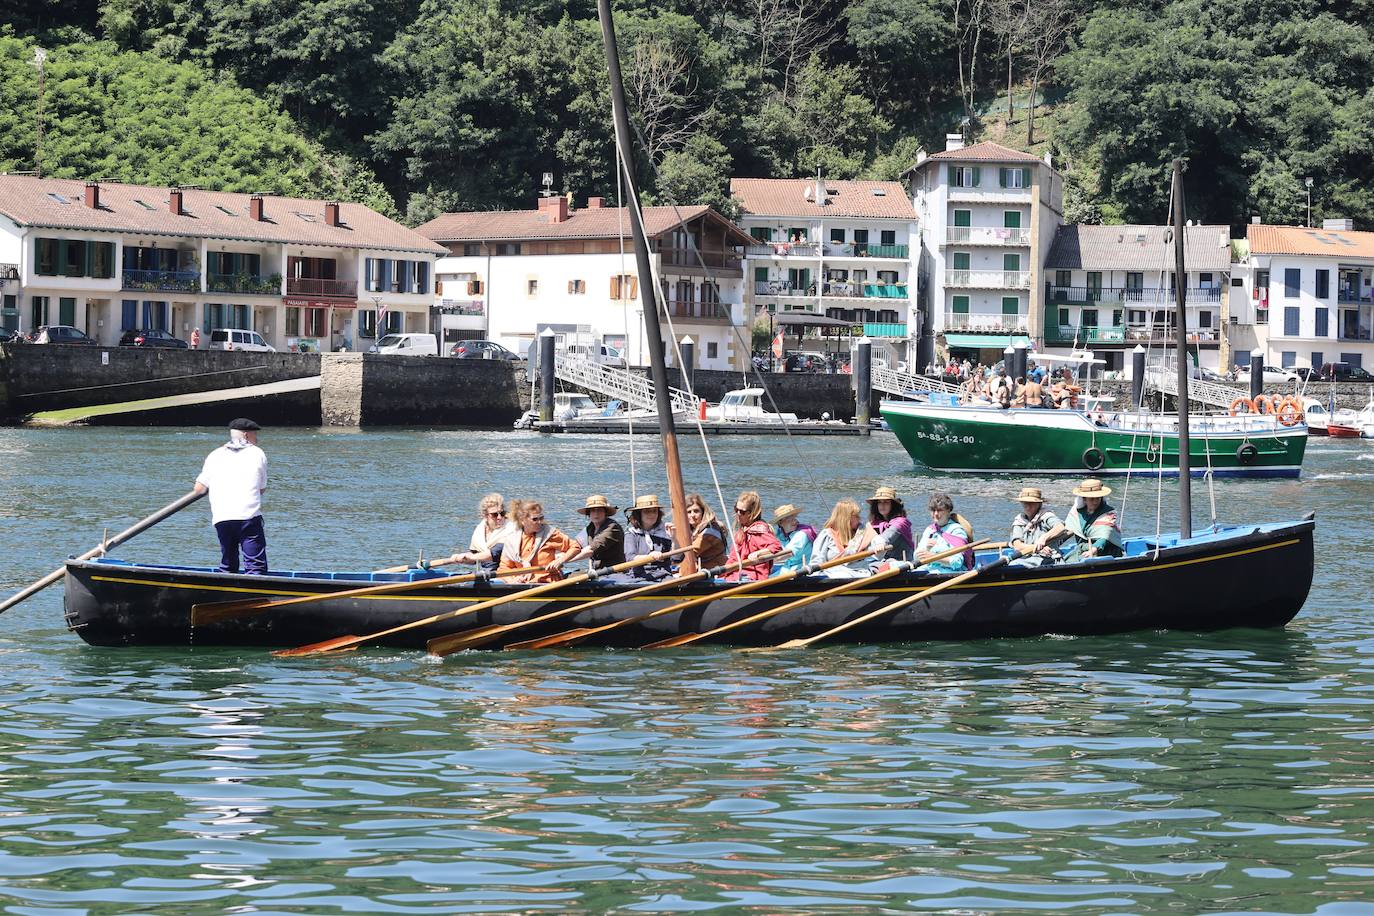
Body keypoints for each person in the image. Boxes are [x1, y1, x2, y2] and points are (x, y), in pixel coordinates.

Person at [193, 418, 268, 575]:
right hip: (248, 516)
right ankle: (255, 594)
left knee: (228, 562)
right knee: (255, 566)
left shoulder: (215, 455)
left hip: (222, 517)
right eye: (255, 435)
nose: (257, 439)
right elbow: (261, 489)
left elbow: (199, 488)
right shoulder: (257, 452)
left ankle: (226, 588)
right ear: (246, 436)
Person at [497, 500, 580, 583]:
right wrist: (512, 580)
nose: (539, 522)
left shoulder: (550, 534)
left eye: (541, 518)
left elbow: (575, 547)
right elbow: (504, 568)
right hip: (521, 583)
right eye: (535, 519)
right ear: (522, 520)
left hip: (547, 583)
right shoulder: (512, 540)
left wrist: (560, 561)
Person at [1063, 478, 1124, 561]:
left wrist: (1093, 549)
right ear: (1084, 499)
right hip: (1082, 549)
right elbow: (1068, 531)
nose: (1095, 502)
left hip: (1105, 551)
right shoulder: (1077, 512)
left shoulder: (1108, 512)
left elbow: (1105, 536)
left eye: (1098, 498)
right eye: (1091, 499)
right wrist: (1050, 543)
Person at [728, 490, 783, 581]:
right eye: (736, 509)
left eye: (742, 512)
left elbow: (776, 546)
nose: (738, 514)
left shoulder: (758, 530)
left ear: (751, 513)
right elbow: (733, 558)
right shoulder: (741, 531)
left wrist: (758, 553)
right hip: (736, 571)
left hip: (752, 575)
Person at [454, 493, 515, 573]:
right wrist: (461, 558)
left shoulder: (511, 529)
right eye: (494, 515)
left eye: (502, 513)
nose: (499, 517)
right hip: (487, 572)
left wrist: (472, 557)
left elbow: (495, 553)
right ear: (485, 516)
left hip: (506, 572)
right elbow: (474, 555)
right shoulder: (479, 530)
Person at [1008, 486, 1067, 567]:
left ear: (1039, 504)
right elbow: (1017, 545)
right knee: (1013, 564)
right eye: (1025, 503)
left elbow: (1060, 527)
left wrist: (1043, 538)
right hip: (1026, 558)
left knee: (1014, 564)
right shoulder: (1019, 521)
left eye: (1031, 503)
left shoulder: (1046, 516)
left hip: (1049, 559)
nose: (1028, 507)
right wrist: (1036, 548)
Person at [812, 499, 872, 579]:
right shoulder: (827, 535)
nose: (860, 519)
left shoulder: (862, 533)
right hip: (834, 575)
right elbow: (817, 561)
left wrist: (880, 545)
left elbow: (875, 547)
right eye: (856, 516)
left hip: (860, 573)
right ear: (846, 518)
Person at [915, 492, 974, 572]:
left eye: (939, 510)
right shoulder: (929, 530)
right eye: (933, 510)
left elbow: (957, 562)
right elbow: (916, 557)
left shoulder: (956, 530)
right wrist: (926, 549)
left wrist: (933, 557)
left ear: (948, 511)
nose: (935, 514)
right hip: (927, 570)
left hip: (948, 572)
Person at [622, 494, 675, 580]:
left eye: (654, 511)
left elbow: (677, 559)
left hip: (664, 576)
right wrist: (650, 557)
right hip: (638, 577)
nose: (652, 514)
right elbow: (630, 558)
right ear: (639, 514)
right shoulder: (631, 534)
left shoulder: (665, 531)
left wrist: (674, 539)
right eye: (647, 511)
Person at [567, 494, 625, 571]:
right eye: (593, 510)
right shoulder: (590, 528)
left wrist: (564, 560)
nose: (596, 514)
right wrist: (558, 557)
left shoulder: (612, 527)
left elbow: (590, 550)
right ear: (589, 513)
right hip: (597, 571)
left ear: (605, 512)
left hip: (614, 572)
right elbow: (576, 547)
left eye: (599, 510)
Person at [865, 486, 914, 562]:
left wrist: (881, 543)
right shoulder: (874, 523)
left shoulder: (901, 522)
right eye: (879, 502)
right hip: (883, 561)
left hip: (902, 563)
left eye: (886, 502)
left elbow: (889, 535)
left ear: (893, 505)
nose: (882, 505)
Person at [682, 493, 727, 569]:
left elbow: (691, 552)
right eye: (689, 512)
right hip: (702, 568)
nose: (692, 515)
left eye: (696, 511)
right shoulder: (692, 529)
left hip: (715, 570)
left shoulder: (710, 531)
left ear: (702, 512)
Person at [772, 503, 814, 573]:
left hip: (803, 569)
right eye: (790, 519)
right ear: (781, 523)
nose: (796, 521)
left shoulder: (802, 534)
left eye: (794, 518)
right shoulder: (780, 533)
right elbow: (771, 548)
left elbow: (787, 554)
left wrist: (767, 560)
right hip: (788, 566)